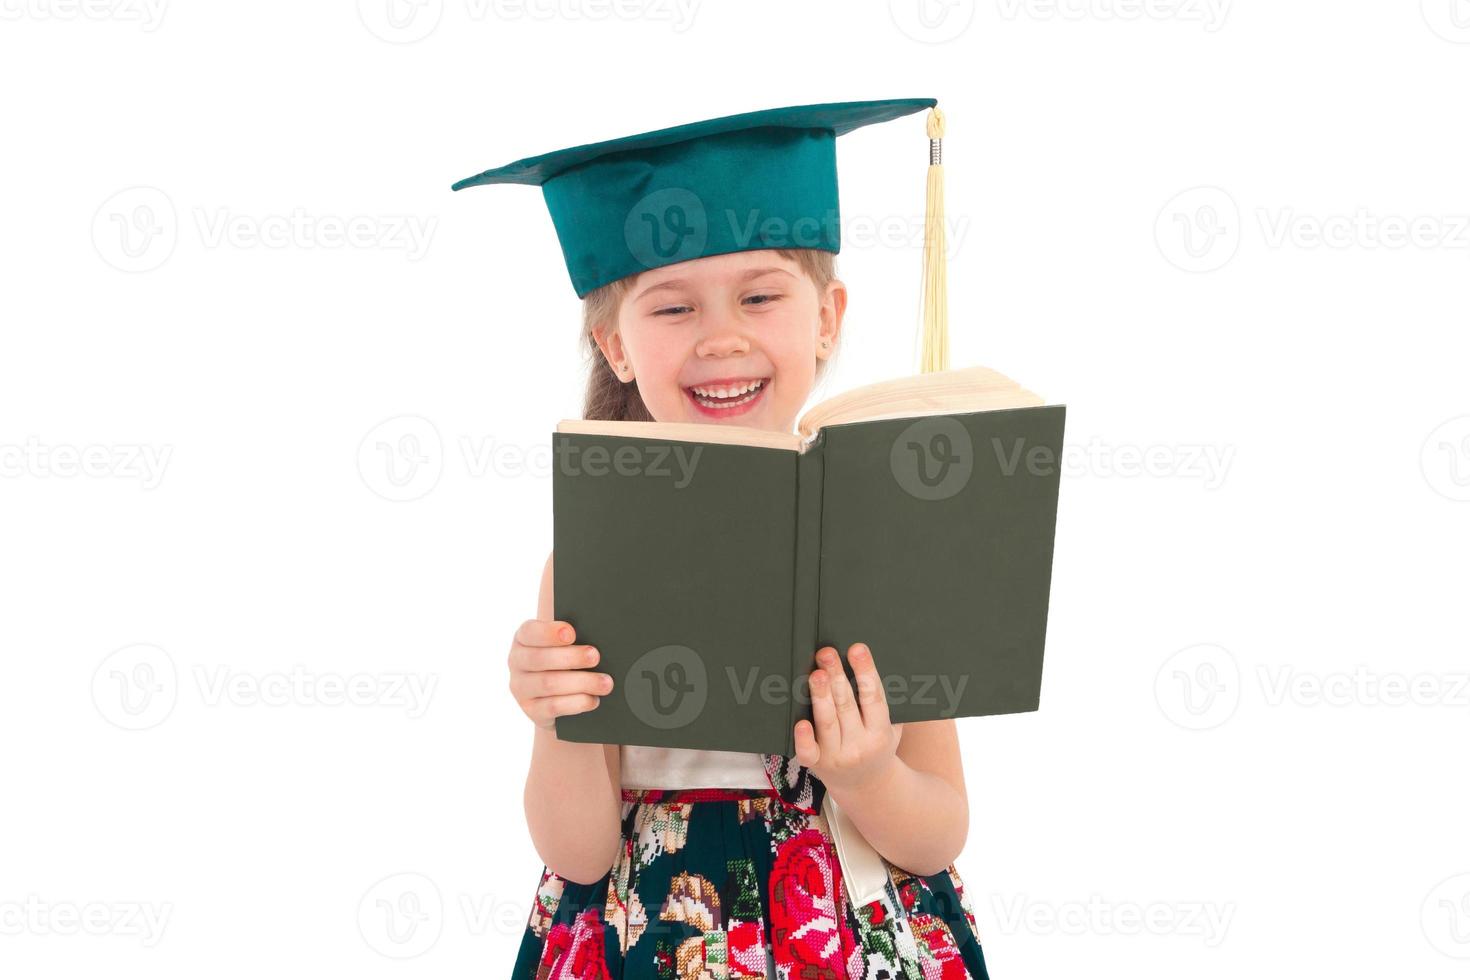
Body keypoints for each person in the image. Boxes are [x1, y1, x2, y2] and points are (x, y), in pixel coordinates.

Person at [455, 98, 991, 978]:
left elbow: (940, 831)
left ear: (827, 316)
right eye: (672, 309)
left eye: (760, 295)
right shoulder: (595, 555)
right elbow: (580, 855)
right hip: (654, 936)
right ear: (614, 345)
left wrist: (866, 776)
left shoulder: (895, 539)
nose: (723, 338)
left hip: (849, 927)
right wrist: (558, 722)